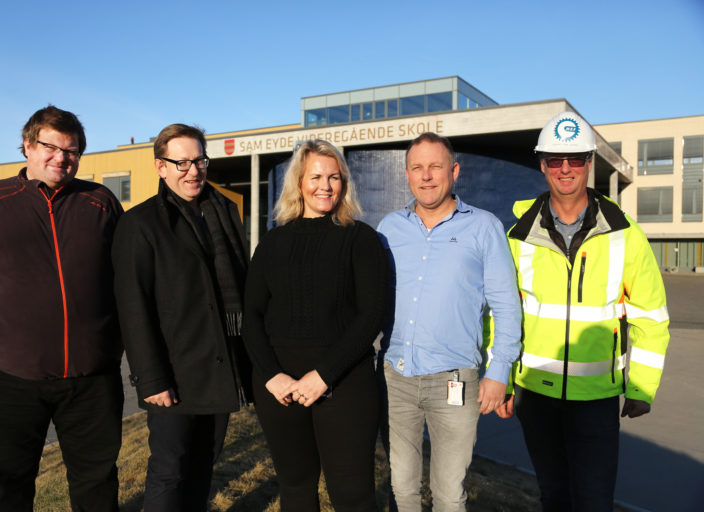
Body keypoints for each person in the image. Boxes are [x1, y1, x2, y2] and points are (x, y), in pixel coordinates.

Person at [0, 105, 124, 511]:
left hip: (92, 379)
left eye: (72, 150)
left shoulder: (100, 203)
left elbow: (125, 280)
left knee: (97, 484)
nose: (61, 157)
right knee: (6, 489)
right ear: (27, 146)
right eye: (50, 146)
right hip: (6, 376)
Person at [501, 111, 670, 511]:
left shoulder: (625, 233)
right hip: (534, 394)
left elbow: (650, 316)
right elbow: (501, 314)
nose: (565, 169)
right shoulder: (517, 234)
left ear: (589, 164)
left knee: (594, 501)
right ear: (542, 165)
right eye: (555, 160)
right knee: (554, 497)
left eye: (575, 159)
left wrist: (641, 386)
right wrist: (503, 379)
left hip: (597, 399)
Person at [376, 132, 522, 512]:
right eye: (417, 168)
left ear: (453, 171)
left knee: (449, 494)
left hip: (454, 382)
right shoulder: (389, 228)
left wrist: (500, 371)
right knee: (402, 489)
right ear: (407, 174)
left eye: (435, 167)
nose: (426, 177)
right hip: (396, 378)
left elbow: (506, 305)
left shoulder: (484, 227)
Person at [242, 139, 388, 511]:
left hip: (345, 385)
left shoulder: (362, 239)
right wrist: (272, 375)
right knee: (295, 489)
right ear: (299, 182)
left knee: (352, 495)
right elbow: (252, 317)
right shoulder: (272, 244)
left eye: (334, 177)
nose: (325, 186)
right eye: (316, 176)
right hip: (280, 390)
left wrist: (323, 375)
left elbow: (371, 314)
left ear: (344, 184)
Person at [112, 123, 251, 511]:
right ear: (161, 167)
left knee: (203, 466)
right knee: (169, 470)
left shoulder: (223, 212)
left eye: (200, 160)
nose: (193, 171)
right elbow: (133, 306)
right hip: (174, 373)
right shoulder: (140, 224)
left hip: (220, 366)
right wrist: (152, 379)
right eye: (182, 162)